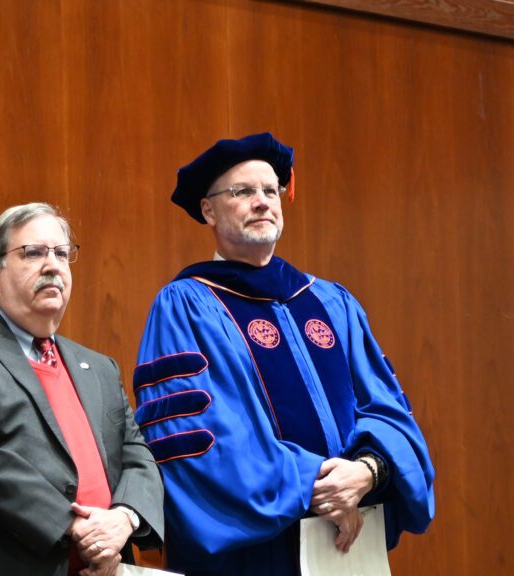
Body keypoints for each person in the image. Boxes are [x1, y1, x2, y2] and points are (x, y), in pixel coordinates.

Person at [134, 133, 435, 575]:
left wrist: (369, 472)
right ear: (208, 210)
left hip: (345, 546)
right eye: (243, 192)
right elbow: (198, 431)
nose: (262, 201)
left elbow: (387, 407)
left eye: (270, 190)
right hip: (250, 554)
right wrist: (319, 485)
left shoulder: (331, 302)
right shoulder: (185, 306)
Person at [0, 203, 164, 576]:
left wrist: (123, 521)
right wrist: (74, 527)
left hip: (106, 563)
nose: (53, 265)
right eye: (33, 253)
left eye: (62, 253)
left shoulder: (100, 367)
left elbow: (137, 454)